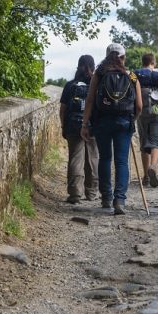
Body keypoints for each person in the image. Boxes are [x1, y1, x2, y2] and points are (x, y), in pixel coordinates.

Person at [81, 43, 143, 215]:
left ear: (107, 56)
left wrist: (85, 124)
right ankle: (120, 200)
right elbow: (139, 106)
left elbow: (90, 100)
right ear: (123, 57)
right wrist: (133, 120)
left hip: (102, 122)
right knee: (122, 161)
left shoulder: (99, 75)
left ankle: (106, 197)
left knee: (105, 158)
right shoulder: (131, 76)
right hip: (124, 122)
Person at [60, 55, 99, 204]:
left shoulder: (70, 86)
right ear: (93, 67)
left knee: (76, 158)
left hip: (73, 125)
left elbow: (63, 110)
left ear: (78, 67)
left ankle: (75, 193)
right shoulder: (96, 85)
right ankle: (92, 192)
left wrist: (64, 126)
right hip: (92, 125)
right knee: (93, 158)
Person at [134, 53, 158, 187]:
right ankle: (153, 166)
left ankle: (145, 176)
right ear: (154, 62)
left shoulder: (137, 75)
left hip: (142, 112)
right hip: (157, 111)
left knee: (144, 143)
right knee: (156, 142)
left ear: (143, 62)